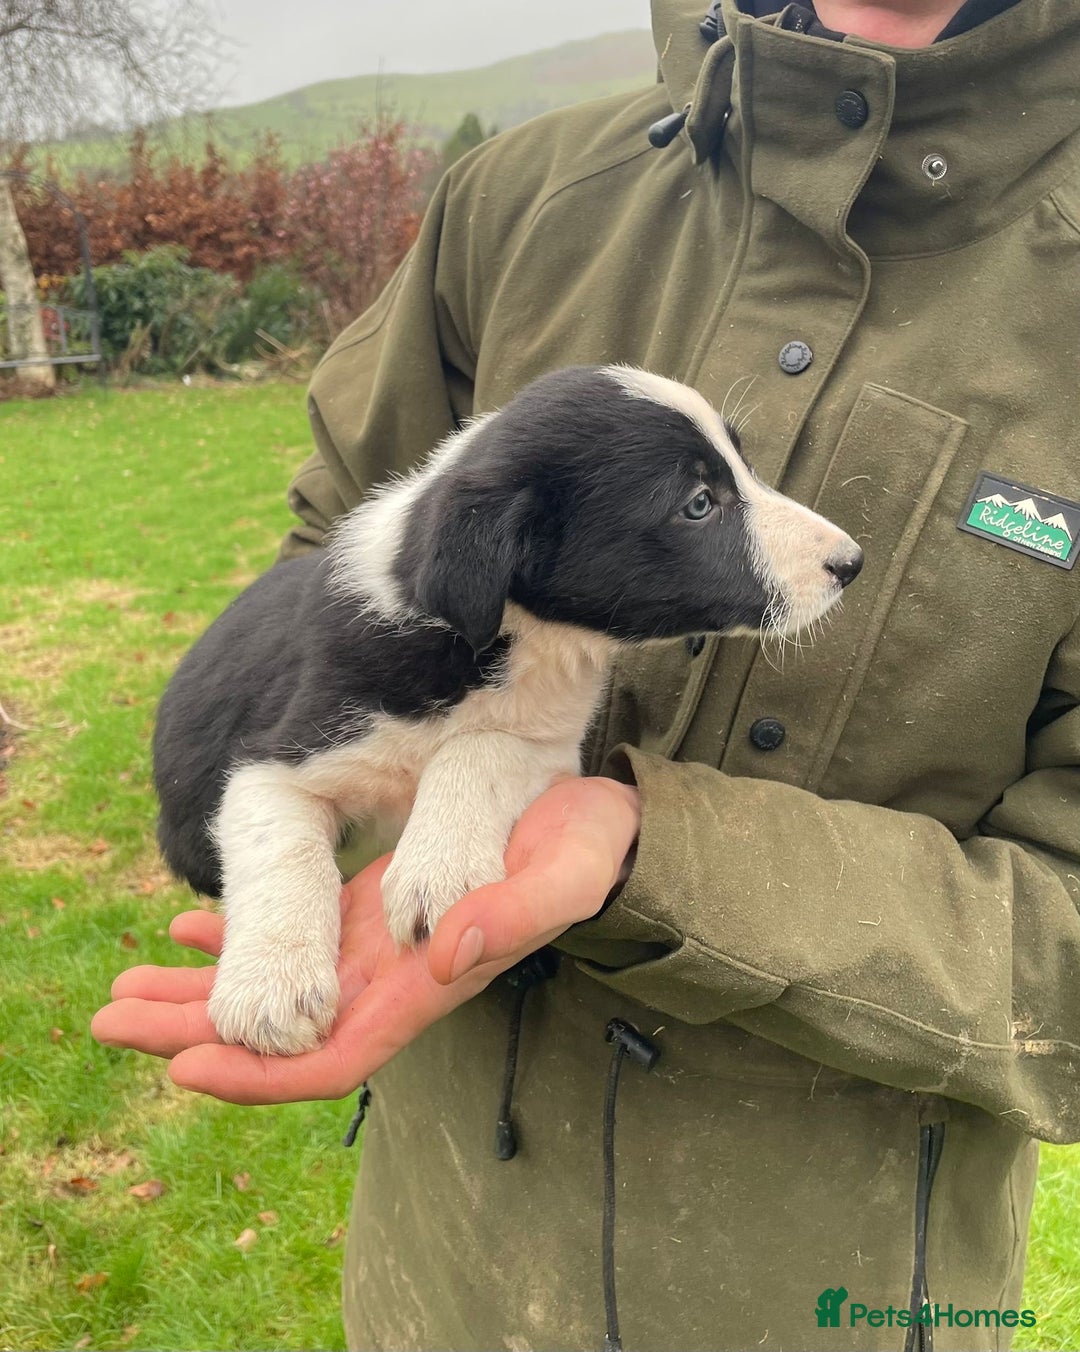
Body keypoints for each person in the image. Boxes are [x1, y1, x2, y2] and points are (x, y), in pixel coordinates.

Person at [93, 0, 1080, 1347]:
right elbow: (330, 571)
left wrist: (640, 847)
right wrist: (352, 812)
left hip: (832, 1296)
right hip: (442, 1275)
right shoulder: (520, 201)